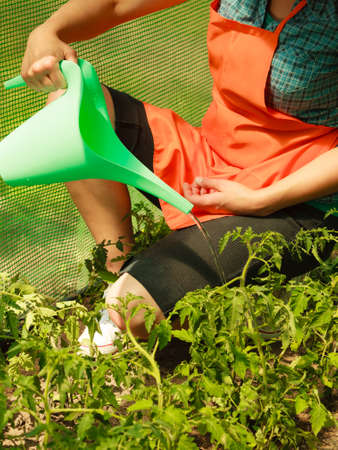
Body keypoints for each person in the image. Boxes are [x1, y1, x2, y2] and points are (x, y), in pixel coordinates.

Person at [20, 0, 338, 352]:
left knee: (133, 312)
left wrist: (261, 200)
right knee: (70, 112)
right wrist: (48, 30)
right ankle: (117, 273)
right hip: (213, 162)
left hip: (297, 195)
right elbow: (114, 5)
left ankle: (263, 315)